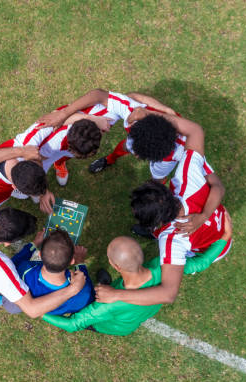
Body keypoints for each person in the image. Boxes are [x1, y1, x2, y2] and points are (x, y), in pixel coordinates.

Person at [42, 215, 233, 335]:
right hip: (142, 311)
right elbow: (200, 263)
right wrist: (224, 238)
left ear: (115, 265)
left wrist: (40, 312)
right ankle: (106, 283)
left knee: (88, 315)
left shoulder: (105, 307)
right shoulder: (163, 267)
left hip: (114, 326)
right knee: (107, 288)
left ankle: (99, 310)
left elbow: (72, 324)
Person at [95, 150, 230, 306]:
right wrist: (205, 214)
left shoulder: (172, 241)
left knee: (183, 265)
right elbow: (218, 185)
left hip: (212, 249)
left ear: (157, 222)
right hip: (220, 227)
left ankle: (152, 234)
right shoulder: (186, 173)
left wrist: (117, 294)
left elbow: (168, 293)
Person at [36, 88, 204, 183]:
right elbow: (102, 95)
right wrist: (63, 113)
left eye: (138, 155)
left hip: (164, 150)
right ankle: (110, 159)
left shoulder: (171, 158)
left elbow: (160, 178)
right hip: (149, 129)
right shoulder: (136, 114)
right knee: (126, 146)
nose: (136, 155)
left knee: (152, 174)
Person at [0, 110, 107, 197]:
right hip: (27, 157)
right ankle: (27, 190)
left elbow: (58, 114)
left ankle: (59, 164)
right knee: (25, 192)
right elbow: (40, 157)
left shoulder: (82, 131)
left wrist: (89, 118)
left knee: (57, 158)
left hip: (42, 156)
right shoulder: (48, 145)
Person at [11, 228, 95, 315]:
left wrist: (34, 243)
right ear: (72, 261)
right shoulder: (82, 290)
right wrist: (80, 262)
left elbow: (14, 263)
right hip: (56, 312)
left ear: (40, 255)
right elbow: (87, 298)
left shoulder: (25, 270)